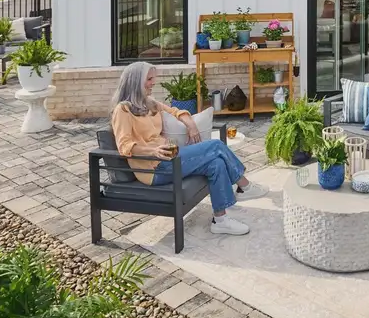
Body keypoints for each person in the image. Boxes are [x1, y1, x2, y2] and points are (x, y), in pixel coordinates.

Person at [110, 61, 264, 235]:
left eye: (154, 78)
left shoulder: (149, 103)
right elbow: (125, 146)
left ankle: (220, 220)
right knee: (216, 146)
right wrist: (152, 151)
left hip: (170, 157)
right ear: (135, 81)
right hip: (153, 167)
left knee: (216, 164)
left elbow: (176, 111)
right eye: (149, 79)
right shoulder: (122, 110)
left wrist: (191, 125)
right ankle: (245, 186)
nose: (153, 82)